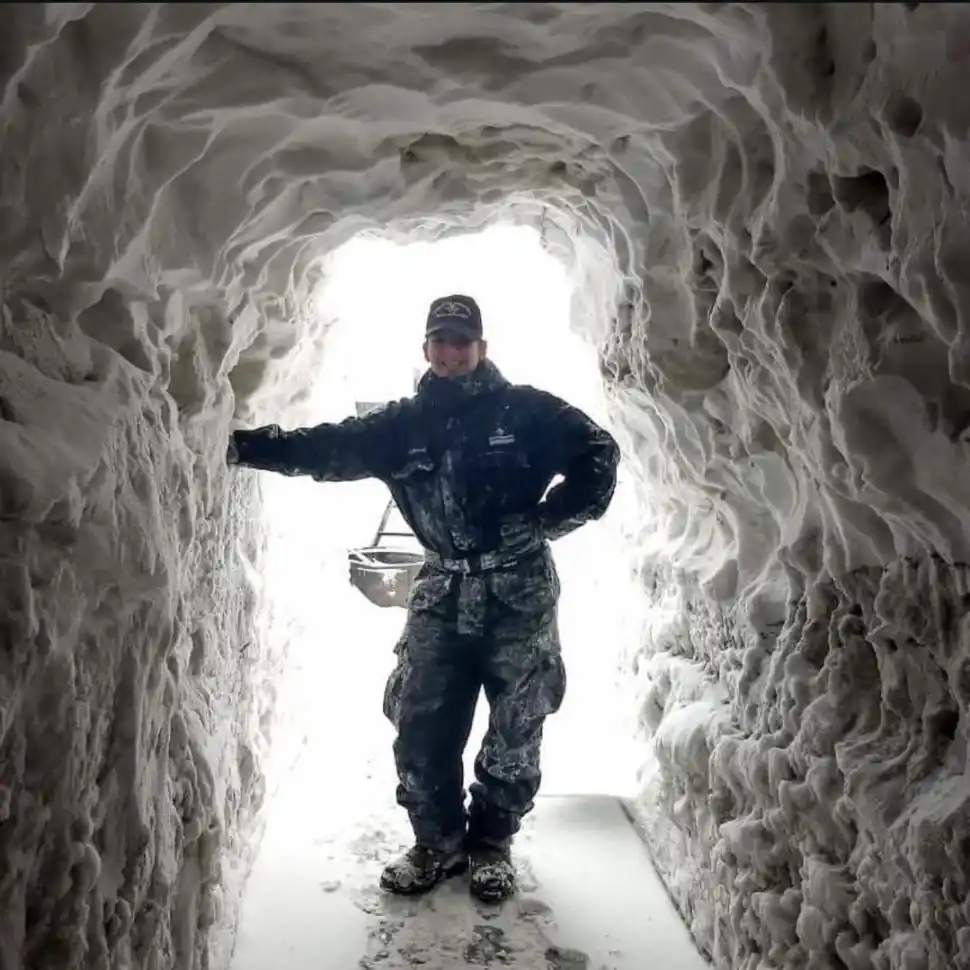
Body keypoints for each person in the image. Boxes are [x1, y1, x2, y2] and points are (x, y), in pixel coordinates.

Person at [227, 294, 620, 902]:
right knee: (419, 722)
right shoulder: (401, 425)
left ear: (481, 348)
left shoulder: (528, 412)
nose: (452, 352)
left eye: (463, 341)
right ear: (426, 349)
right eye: (441, 341)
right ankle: (436, 843)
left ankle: (491, 845)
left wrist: (549, 520)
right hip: (440, 591)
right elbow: (323, 447)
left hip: (520, 593)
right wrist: (241, 446)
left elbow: (599, 452)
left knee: (517, 725)